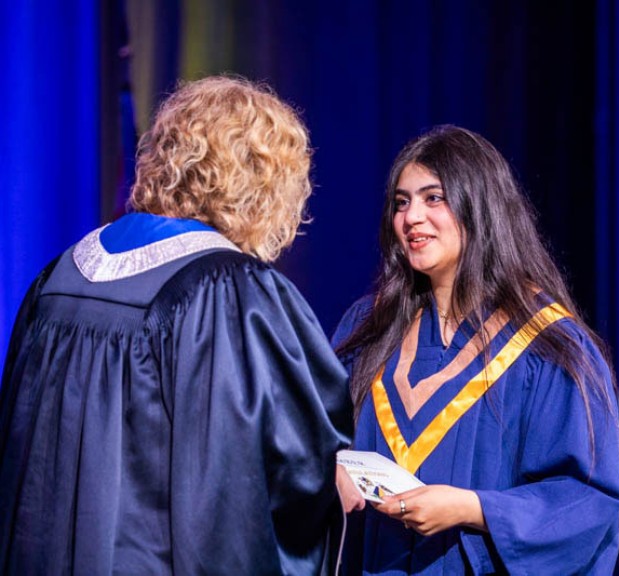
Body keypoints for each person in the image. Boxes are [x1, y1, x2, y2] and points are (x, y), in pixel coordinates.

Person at [0, 76, 356, 575]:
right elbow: (273, 473)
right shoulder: (228, 290)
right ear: (261, 180)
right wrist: (331, 479)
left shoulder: (57, 277)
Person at [332, 125, 619, 574]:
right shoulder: (369, 329)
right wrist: (328, 468)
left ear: (481, 208)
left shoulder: (549, 347)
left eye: (434, 198)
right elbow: (311, 437)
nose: (412, 217)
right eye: (401, 202)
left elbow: (585, 501)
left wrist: (472, 508)